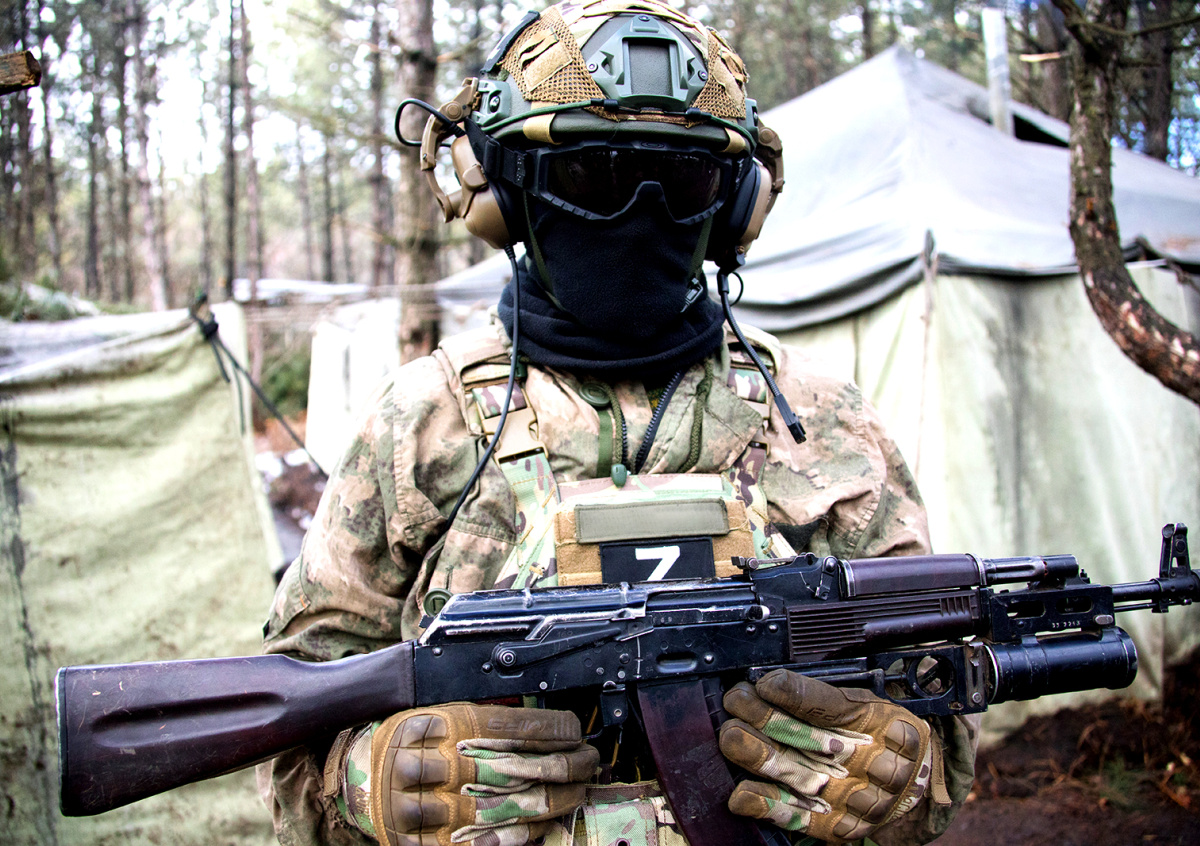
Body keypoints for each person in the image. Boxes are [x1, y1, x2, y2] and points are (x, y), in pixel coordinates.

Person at [258, 2, 979, 844]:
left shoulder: (821, 419)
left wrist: (902, 770)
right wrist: (367, 781)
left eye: (684, 180)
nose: (639, 209)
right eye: (589, 174)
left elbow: (940, 697)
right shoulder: (423, 422)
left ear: (734, 203)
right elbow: (287, 714)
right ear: (502, 192)